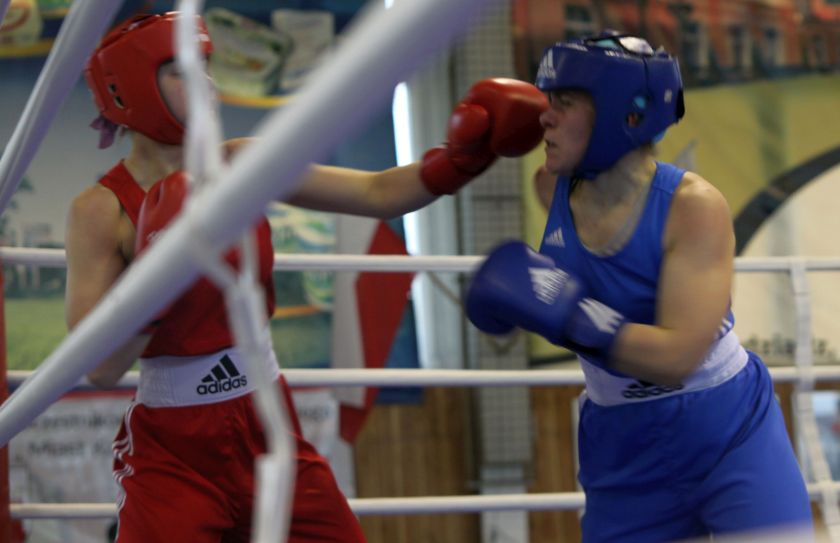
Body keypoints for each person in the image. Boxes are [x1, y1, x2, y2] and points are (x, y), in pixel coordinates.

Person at [64, 11, 547, 543]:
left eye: (206, 65)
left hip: (265, 421)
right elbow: (99, 368)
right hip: (174, 452)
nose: (206, 83)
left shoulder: (241, 164)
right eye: (182, 69)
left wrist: (463, 159)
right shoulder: (100, 209)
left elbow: (377, 193)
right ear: (131, 87)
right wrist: (160, 280)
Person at [465, 32, 814, 542]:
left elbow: (677, 358)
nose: (545, 117)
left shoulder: (693, 206)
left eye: (564, 102)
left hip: (725, 426)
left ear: (622, 113)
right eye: (547, 101)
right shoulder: (551, 185)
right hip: (621, 443)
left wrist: (567, 313)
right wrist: (456, 157)